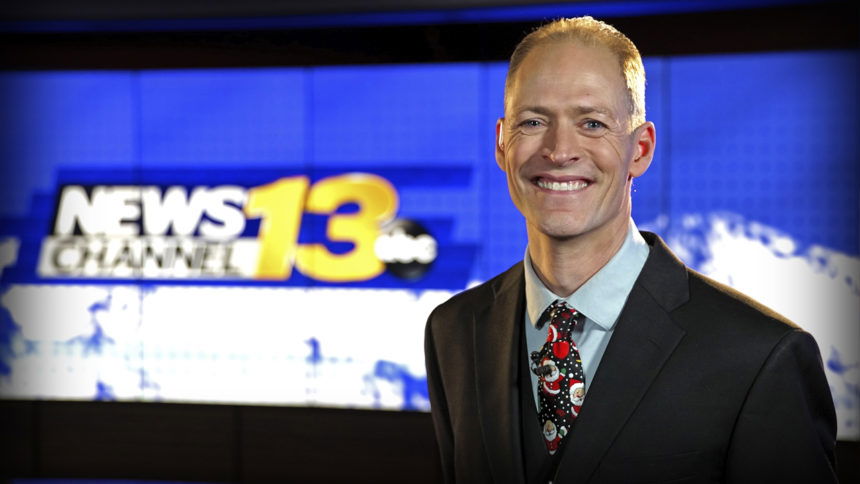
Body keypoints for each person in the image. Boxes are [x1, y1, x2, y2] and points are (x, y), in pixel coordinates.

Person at [424, 16, 837, 483]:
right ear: (502, 144)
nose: (559, 150)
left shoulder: (761, 356)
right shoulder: (453, 331)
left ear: (640, 149)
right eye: (533, 122)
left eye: (592, 123)